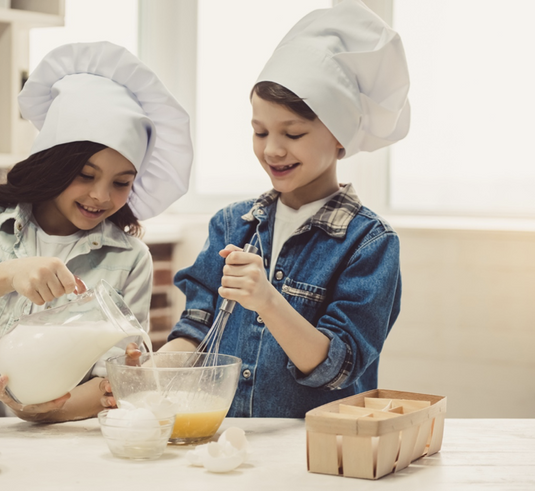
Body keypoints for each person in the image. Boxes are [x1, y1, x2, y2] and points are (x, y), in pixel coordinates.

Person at [0, 41, 193, 422]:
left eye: (122, 183)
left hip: (57, 453)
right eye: (85, 175)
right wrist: (9, 274)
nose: (100, 196)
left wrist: (36, 411)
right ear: (53, 164)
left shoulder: (128, 259)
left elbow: (117, 380)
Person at [156, 0, 410, 418]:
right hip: (229, 442)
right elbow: (197, 328)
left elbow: (336, 368)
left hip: (317, 452)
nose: (272, 150)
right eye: (260, 131)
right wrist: (150, 372)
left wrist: (268, 301)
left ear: (340, 137)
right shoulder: (231, 225)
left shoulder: (368, 245)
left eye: (292, 133)